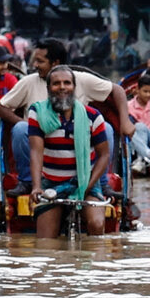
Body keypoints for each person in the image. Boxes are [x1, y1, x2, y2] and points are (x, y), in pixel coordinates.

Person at [0, 37, 133, 197]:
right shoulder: (29, 82)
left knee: (106, 129)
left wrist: (125, 120)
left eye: (40, 61)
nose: (35, 65)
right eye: (56, 85)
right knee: (20, 128)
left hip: (78, 142)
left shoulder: (80, 79)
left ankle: (101, 183)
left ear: (56, 63)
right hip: (41, 143)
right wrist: (28, 125)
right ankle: (27, 182)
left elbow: (117, 90)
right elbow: (1, 108)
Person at [28, 66, 110, 238]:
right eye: (56, 83)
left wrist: (86, 186)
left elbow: (104, 155)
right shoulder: (37, 113)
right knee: (45, 243)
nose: (62, 87)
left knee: (97, 224)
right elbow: (36, 152)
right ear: (49, 88)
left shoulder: (93, 116)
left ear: (74, 87)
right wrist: (36, 187)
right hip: (51, 183)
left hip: (87, 181)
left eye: (67, 83)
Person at [126, 74, 150, 166]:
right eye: (145, 91)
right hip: (135, 139)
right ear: (137, 90)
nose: (148, 95)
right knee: (137, 128)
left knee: (140, 126)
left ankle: (142, 157)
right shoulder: (129, 105)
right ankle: (146, 155)